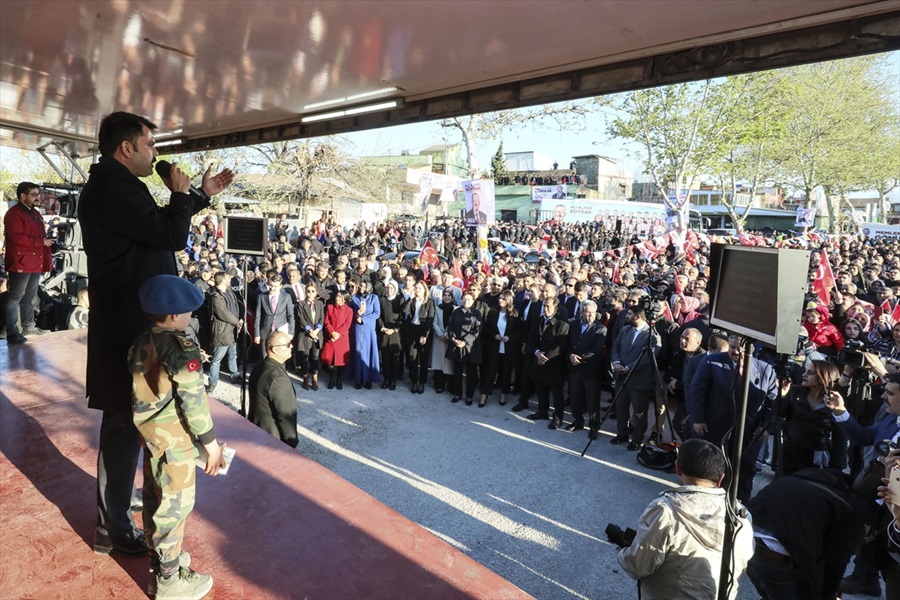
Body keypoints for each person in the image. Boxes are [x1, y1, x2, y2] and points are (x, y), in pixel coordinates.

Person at [78, 111, 233, 557]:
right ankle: (113, 525)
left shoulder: (120, 186)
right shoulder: (112, 189)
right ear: (126, 148)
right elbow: (170, 234)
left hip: (132, 321)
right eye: (150, 145)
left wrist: (200, 195)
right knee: (124, 424)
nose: (156, 154)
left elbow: (152, 231)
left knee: (131, 423)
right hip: (127, 326)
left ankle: (118, 511)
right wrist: (183, 196)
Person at [129, 275, 225, 599]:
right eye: (187, 312)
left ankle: (161, 564)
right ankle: (169, 582)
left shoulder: (142, 340)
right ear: (174, 316)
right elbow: (194, 401)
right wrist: (211, 445)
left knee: (156, 502)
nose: (190, 317)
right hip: (176, 445)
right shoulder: (180, 348)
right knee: (174, 511)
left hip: (153, 439)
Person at [616, 438, 754, 600]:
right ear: (720, 479)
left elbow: (638, 566)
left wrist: (622, 551)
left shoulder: (665, 511)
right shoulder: (741, 515)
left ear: (677, 469)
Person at [745, 468, 866, 600]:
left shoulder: (813, 478)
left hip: (745, 539)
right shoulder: (851, 510)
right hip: (777, 553)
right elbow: (835, 565)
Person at [689, 334, 778, 502]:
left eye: (740, 348)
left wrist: (765, 427)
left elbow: (771, 401)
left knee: (744, 469)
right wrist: (698, 418)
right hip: (715, 427)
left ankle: (739, 504)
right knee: (711, 466)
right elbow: (697, 391)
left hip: (749, 432)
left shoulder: (766, 370)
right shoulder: (711, 362)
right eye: (732, 347)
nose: (736, 352)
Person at [778, 360, 848, 475]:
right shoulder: (795, 392)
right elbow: (778, 415)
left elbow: (840, 437)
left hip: (817, 457)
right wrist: (782, 395)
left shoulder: (834, 401)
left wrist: (837, 469)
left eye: (810, 373)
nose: (803, 375)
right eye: (805, 371)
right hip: (791, 453)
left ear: (824, 377)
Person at [4, 181, 53, 344]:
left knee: (30, 297)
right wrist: (41, 243)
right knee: (16, 297)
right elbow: (16, 237)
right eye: (33, 194)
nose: (37, 198)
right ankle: (12, 333)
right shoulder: (14, 214)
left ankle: (29, 327)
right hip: (21, 262)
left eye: (38, 194)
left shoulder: (35, 213)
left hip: (34, 262)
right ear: (22, 196)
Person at [610, 304, 661, 450]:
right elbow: (615, 347)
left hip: (639, 380)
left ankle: (637, 438)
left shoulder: (652, 335)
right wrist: (616, 362)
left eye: (629, 314)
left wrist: (629, 368)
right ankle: (622, 433)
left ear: (638, 316)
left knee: (639, 411)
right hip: (621, 376)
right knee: (621, 407)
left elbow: (648, 357)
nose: (626, 316)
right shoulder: (625, 330)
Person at [248, 331, 299, 448]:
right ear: (275, 349)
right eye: (288, 344)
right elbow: (286, 416)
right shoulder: (278, 378)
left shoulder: (259, 366)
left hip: (256, 431)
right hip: (273, 440)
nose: (291, 346)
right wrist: (293, 444)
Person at [525, 296, 570, 427]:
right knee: (540, 388)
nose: (545, 308)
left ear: (555, 309)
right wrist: (537, 353)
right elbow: (531, 341)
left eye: (548, 306)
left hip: (554, 364)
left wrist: (545, 357)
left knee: (556, 393)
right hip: (538, 361)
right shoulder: (538, 321)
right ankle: (542, 411)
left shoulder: (562, 325)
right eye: (544, 306)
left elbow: (560, 346)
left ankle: (557, 417)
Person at [566, 299, 606, 432]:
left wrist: (580, 358)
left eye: (593, 313)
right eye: (588, 313)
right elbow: (568, 343)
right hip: (574, 367)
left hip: (590, 369)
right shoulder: (574, 325)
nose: (590, 316)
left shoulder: (600, 329)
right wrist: (571, 354)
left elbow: (596, 348)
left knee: (592, 400)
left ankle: (594, 426)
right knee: (575, 396)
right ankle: (578, 420)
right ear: (581, 312)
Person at [480, 290, 523, 407]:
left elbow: (519, 330)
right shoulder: (493, 311)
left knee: (506, 372)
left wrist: (510, 337)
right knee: (490, 371)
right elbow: (487, 327)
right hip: (494, 347)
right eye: (499, 298)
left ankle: (504, 393)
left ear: (508, 300)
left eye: (503, 299)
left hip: (508, 348)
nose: (500, 300)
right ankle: (484, 394)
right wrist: (495, 335)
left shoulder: (515, 313)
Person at [207, 271, 242, 395]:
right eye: (228, 278)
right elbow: (223, 313)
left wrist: (239, 320)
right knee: (217, 359)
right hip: (222, 331)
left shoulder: (229, 292)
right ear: (222, 280)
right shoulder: (216, 296)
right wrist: (237, 322)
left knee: (233, 355)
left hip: (232, 331)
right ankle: (213, 382)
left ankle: (234, 375)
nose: (230, 279)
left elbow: (236, 308)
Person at [446, 289, 483, 405]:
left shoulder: (476, 313)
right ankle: (458, 393)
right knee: (457, 371)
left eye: (468, 299)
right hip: (456, 344)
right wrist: (452, 338)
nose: (466, 301)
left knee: (470, 373)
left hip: (470, 347)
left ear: (473, 300)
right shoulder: (456, 312)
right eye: (464, 299)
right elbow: (450, 326)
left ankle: (469, 396)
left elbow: (477, 330)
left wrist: (465, 341)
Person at [401, 280, 435, 394]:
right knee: (412, 358)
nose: (417, 290)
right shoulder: (412, 300)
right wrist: (410, 298)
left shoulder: (429, 302)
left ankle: (422, 382)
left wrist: (424, 335)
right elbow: (404, 310)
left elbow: (430, 320)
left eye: (420, 288)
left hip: (424, 331)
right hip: (412, 330)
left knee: (423, 359)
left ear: (425, 290)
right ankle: (414, 380)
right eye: (416, 288)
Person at [351, 280, 381, 389]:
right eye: (361, 286)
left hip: (369, 328)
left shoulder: (374, 298)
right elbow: (350, 311)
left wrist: (363, 319)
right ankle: (358, 379)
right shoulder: (354, 298)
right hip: (357, 328)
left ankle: (368, 379)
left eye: (364, 286)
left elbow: (377, 313)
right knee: (358, 352)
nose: (362, 288)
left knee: (368, 353)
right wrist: (356, 315)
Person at [253, 269, 295, 348]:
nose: (272, 288)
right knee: (264, 357)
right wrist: (257, 334)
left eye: (275, 286)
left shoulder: (286, 297)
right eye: (270, 285)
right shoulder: (262, 296)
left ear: (280, 286)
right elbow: (258, 316)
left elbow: (290, 316)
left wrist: (291, 333)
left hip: (281, 332)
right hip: (265, 332)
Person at [295, 282, 325, 391]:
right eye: (308, 291)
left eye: (312, 291)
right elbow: (300, 318)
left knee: (315, 357)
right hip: (305, 334)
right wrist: (309, 330)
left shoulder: (320, 304)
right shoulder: (301, 304)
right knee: (304, 357)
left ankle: (315, 377)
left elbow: (322, 317)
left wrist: (316, 330)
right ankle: (305, 377)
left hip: (316, 334)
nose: (310, 293)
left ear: (316, 292)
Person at [322, 290, 353, 389]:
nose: (337, 298)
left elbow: (347, 324)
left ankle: (339, 380)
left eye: (340, 297)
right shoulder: (330, 307)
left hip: (342, 338)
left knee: (340, 362)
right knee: (330, 361)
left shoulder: (349, 310)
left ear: (345, 299)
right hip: (331, 336)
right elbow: (326, 321)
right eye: (337, 296)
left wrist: (338, 334)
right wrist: (332, 332)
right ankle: (331, 379)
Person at [431, 287, 456, 394]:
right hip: (438, 339)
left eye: (449, 296)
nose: (447, 297)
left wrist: (446, 335)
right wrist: (441, 334)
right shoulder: (438, 308)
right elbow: (434, 322)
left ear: (452, 297)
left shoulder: (455, 310)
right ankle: (439, 385)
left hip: (450, 339)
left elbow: (455, 324)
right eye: (445, 295)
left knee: (449, 364)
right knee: (438, 363)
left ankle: (450, 385)